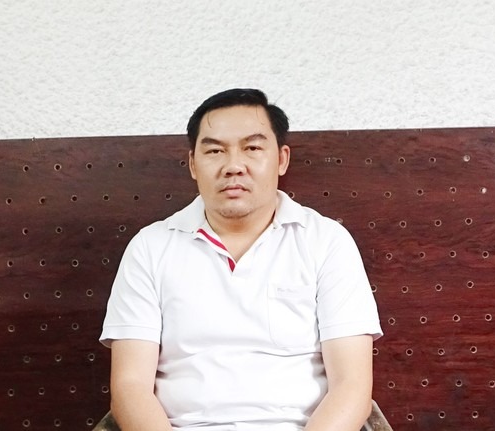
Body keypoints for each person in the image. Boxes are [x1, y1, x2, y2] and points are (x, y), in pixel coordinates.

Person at [100, 88, 383, 431]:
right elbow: (130, 386)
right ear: (193, 164)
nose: (234, 166)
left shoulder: (326, 241)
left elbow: (351, 386)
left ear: (281, 159)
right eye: (215, 151)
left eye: (252, 148)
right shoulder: (150, 247)